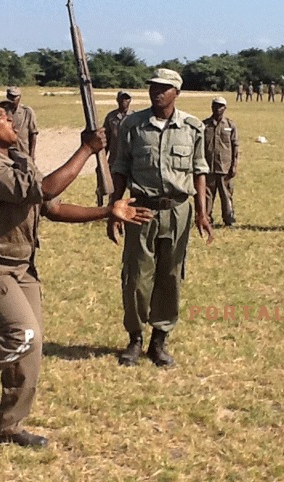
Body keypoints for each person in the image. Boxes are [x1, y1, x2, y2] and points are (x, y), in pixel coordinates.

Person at [0, 93, 152, 447]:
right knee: (21, 334)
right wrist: (87, 150)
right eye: (2, 115)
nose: (11, 119)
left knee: (30, 349)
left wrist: (108, 211)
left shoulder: (18, 158)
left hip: (22, 265)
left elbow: (52, 207)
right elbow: (43, 188)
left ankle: (8, 428)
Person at [107, 68, 214, 367]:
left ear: (176, 92)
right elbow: (120, 167)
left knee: (171, 274)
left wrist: (202, 213)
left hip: (178, 209)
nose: (157, 91)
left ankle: (159, 339)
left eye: (165, 88)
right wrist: (114, 208)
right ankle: (134, 338)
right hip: (140, 208)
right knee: (136, 275)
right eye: (154, 86)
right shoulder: (133, 125)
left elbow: (199, 170)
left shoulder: (192, 128)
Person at [203, 97, 239, 226]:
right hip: (208, 166)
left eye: (221, 106)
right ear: (212, 106)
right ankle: (206, 219)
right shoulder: (204, 125)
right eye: (215, 105)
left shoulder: (230, 125)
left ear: (225, 108)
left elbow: (235, 146)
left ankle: (229, 220)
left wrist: (234, 165)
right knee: (207, 195)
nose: (218, 108)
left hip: (225, 166)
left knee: (226, 195)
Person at [102, 90, 133, 169]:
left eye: (127, 99)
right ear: (117, 100)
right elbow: (106, 138)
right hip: (114, 159)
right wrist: (102, 160)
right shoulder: (111, 117)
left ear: (130, 100)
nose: (124, 101)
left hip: (131, 160)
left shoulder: (135, 116)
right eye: (122, 98)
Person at [6, 87, 38, 160]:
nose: (12, 99)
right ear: (7, 96)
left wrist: (32, 154)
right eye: (10, 96)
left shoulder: (27, 112)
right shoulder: (2, 112)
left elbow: (33, 134)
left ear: (20, 97)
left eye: (15, 97)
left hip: (23, 151)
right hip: (6, 153)